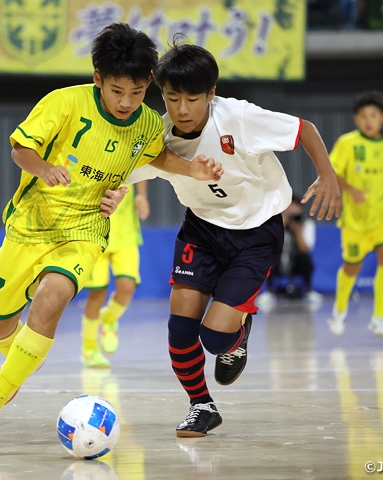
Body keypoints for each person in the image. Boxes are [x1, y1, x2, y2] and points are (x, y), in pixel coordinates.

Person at [0, 23, 224, 438]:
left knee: (52, 297)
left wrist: (193, 169)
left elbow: (157, 157)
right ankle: (24, 359)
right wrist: (43, 168)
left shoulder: (147, 124)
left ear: (149, 84)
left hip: (86, 228)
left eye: (137, 92)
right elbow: (20, 149)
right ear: (98, 78)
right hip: (31, 224)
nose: (127, 102)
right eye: (117, 91)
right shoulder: (64, 102)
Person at [127, 41, 341, 437]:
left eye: (193, 98)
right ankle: (201, 406)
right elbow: (125, 172)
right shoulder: (158, 135)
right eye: (172, 98)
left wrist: (326, 174)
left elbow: (304, 130)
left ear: (211, 93)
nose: (182, 109)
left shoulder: (239, 118)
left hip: (255, 232)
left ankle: (237, 337)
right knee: (180, 328)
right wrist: (109, 194)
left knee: (214, 337)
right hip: (201, 229)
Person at [327, 91, 383, 339]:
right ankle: (339, 310)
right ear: (356, 119)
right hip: (356, 219)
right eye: (363, 116)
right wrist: (352, 190)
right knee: (352, 266)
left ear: (382, 117)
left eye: (373, 115)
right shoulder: (347, 143)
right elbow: (332, 173)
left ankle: (379, 318)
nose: (368, 120)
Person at [80, 181, 149, 368]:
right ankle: (89, 349)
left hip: (126, 233)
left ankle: (109, 318)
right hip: (94, 235)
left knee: (127, 287)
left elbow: (143, 168)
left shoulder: (128, 162)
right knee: (97, 293)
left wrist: (141, 195)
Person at [257, 196, 322, 309]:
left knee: (306, 259)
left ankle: (308, 290)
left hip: (296, 261)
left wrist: (298, 231)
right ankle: (269, 291)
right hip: (279, 261)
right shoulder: (273, 222)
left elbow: (305, 249)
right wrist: (281, 226)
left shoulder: (306, 223)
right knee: (269, 258)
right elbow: (269, 247)